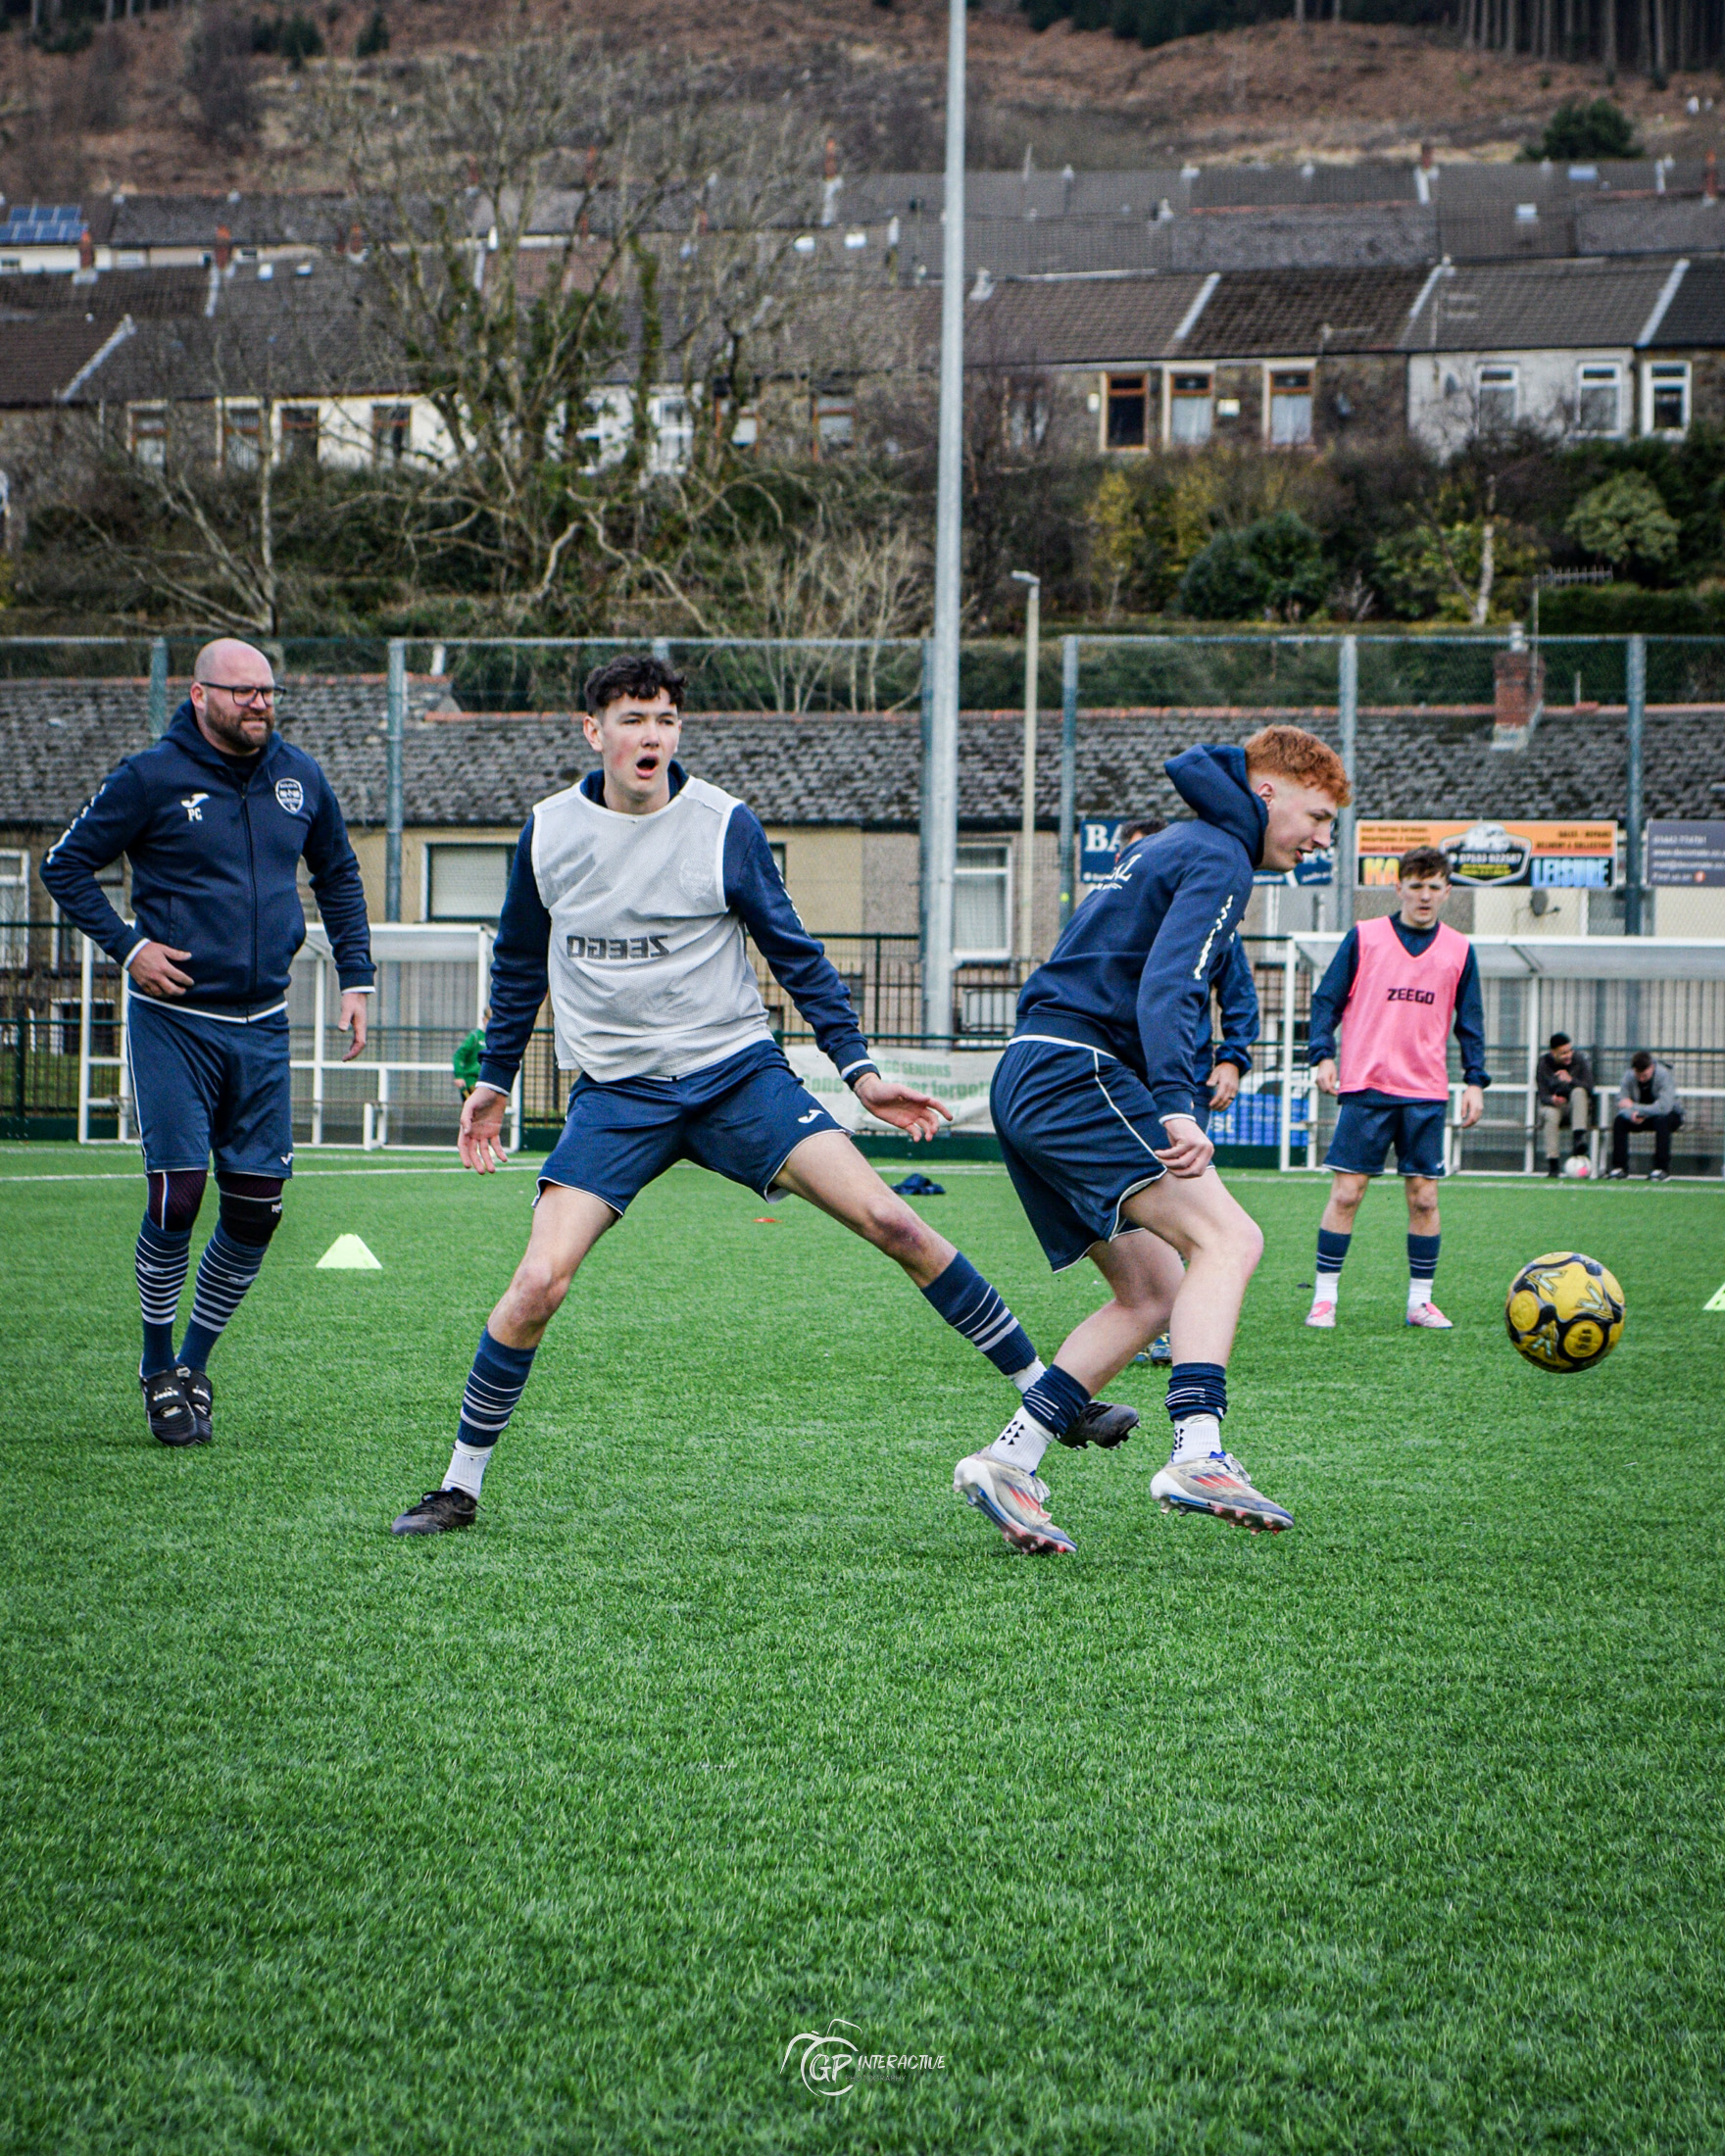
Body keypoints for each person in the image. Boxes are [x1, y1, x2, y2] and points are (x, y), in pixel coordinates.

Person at [390, 654, 1130, 1538]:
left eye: (665, 719)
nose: (652, 736)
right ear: (593, 731)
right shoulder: (549, 832)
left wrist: (859, 1072)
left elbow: (796, 954)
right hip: (617, 1097)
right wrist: (494, 1081)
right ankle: (459, 1485)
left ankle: (1051, 1399)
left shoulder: (721, 825)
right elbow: (518, 966)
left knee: (894, 1221)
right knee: (537, 1283)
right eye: (632, 719)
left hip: (738, 1077)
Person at [955, 724, 1347, 1553]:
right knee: (1229, 1238)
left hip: (1031, 1071)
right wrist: (1176, 1105)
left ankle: (1009, 1460)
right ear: (1267, 792)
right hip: (1077, 1071)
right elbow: (1171, 984)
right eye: (1317, 816)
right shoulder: (1220, 854)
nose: (1322, 839)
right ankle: (1198, 1452)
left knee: (1153, 1291)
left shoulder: (1173, 842)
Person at [42, 638, 373, 1446]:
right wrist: (129, 947)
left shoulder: (301, 777)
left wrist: (356, 977)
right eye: (242, 691)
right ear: (199, 695)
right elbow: (64, 866)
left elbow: (337, 873)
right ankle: (157, 1368)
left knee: (258, 1212)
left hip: (263, 1025)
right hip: (175, 1022)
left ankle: (193, 1365)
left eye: (268, 691)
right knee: (179, 1197)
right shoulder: (150, 776)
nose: (260, 703)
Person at [1305, 846, 1488, 1333]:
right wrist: (1322, 1053)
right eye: (1416, 885)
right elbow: (1326, 1001)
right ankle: (1324, 1299)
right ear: (1398, 887)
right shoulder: (1365, 937)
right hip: (1367, 1085)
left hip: (1425, 1092)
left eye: (1434, 887)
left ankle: (1420, 1303)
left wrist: (1475, 1080)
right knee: (1347, 1193)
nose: (1424, 896)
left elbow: (1470, 1022)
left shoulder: (1460, 950)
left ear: (1447, 891)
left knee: (1424, 1198)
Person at [1609, 1051, 1683, 1180]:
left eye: (1644, 1076)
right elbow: (1621, 1101)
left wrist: (1637, 1109)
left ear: (1652, 1067)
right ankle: (1619, 1167)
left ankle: (1661, 1169)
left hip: (1669, 1115)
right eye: (1638, 1076)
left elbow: (1664, 1107)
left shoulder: (1664, 1075)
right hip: (1638, 1116)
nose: (1641, 1079)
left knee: (1662, 1121)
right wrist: (1631, 1115)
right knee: (1620, 1121)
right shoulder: (1628, 1076)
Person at [1536, 1032, 1594, 1177]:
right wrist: (1552, 1099)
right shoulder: (1543, 1064)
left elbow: (1589, 1088)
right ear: (1553, 1053)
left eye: (1570, 1051)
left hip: (1576, 1108)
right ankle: (1553, 1164)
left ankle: (1579, 1139)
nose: (1568, 1055)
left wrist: (1570, 1080)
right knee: (1550, 1114)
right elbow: (1542, 1095)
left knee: (1579, 1092)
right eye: (1563, 1053)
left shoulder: (1579, 1060)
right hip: (1556, 1107)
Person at [453, 1012, 487, 1101]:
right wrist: (459, 1076)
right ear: (484, 1020)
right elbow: (458, 1056)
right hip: (472, 1082)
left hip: (488, 1083)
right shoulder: (475, 1037)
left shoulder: (496, 1038)